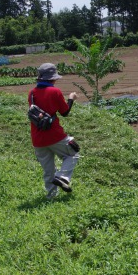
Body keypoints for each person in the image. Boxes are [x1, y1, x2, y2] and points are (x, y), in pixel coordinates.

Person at [29, 63, 80, 200]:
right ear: (52, 78)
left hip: (37, 138)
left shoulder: (32, 93)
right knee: (73, 153)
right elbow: (64, 112)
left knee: (48, 170)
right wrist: (71, 99)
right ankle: (63, 177)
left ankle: (51, 196)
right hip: (55, 135)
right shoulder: (55, 91)